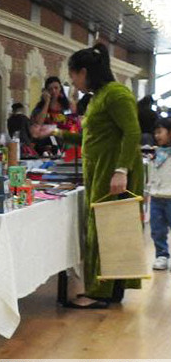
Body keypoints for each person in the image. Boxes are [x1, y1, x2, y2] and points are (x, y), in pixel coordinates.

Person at [37, 43, 142, 308]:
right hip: (102, 170)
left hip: (113, 171)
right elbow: (91, 137)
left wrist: (121, 170)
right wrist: (57, 133)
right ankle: (109, 291)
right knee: (106, 228)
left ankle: (101, 292)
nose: (72, 82)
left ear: (84, 71)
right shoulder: (99, 97)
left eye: (73, 75)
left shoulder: (117, 94)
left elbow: (132, 133)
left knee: (106, 229)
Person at [148, 117, 171, 270]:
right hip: (156, 197)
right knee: (157, 230)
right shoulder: (155, 153)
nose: (157, 135)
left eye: (160, 132)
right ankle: (161, 255)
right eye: (155, 132)